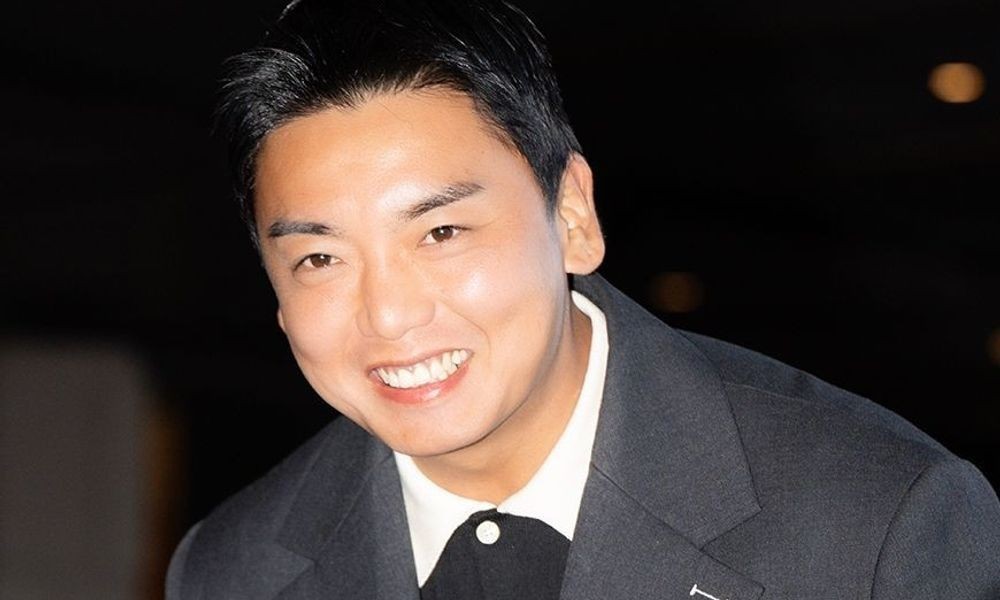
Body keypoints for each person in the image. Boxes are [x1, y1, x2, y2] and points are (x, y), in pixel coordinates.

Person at [166, 0, 1000, 598]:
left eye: (442, 232)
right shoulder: (231, 570)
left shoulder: (877, 518)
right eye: (320, 257)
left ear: (571, 217)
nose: (389, 315)